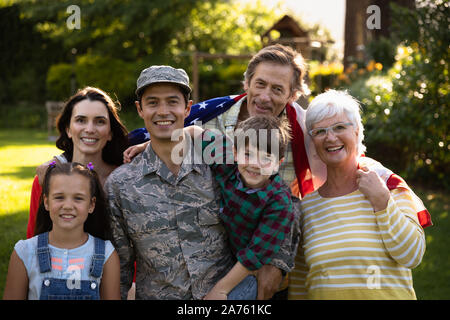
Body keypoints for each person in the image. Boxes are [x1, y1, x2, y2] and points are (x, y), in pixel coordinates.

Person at [124, 44, 316, 299]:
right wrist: (151, 143)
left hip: (257, 251)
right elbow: (183, 134)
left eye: (278, 89)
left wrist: (277, 261)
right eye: (260, 84)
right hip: (204, 252)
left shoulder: (300, 132)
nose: (265, 96)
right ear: (247, 83)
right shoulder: (212, 123)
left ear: (292, 95)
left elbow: (344, 151)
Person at [105, 65, 238, 300]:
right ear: (140, 109)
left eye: (172, 102)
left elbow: (263, 207)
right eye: (153, 102)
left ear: (187, 108)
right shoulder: (121, 185)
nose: (163, 111)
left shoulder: (218, 165)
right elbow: (120, 267)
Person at [288, 90, 431, 300]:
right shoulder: (307, 207)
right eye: (319, 131)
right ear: (312, 143)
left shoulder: (388, 187)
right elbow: (301, 284)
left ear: (356, 131)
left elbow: (412, 255)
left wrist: (383, 203)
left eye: (339, 127)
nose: (330, 137)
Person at [184, 115, 296, 300]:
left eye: (266, 158)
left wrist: (220, 290)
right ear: (235, 152)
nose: (254, 164)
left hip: (252, 269)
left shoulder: (279, 203)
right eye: (248, 154)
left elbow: (253, 255)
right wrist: (145, 146)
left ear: (279, 163)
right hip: (223, 257)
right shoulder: (227, 161)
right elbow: (194, 132)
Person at [3, 162, 121, 300]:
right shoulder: (25, 252)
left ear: (91, 204)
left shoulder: (107, 254)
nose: (68, 206)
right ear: (46, 202)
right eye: (59, 197)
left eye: (78, 198)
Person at [27, 86, 129, 238]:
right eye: (81, 120)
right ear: (68, 129)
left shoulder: (127, 179)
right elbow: (33, 238)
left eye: (100, 121)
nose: (89, 129)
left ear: (110, 133)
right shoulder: (46, 178)